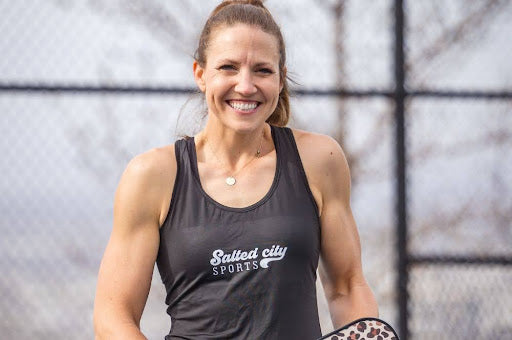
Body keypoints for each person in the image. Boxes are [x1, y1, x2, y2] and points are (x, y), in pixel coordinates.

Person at [93, 0, 378, 339]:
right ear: (200, 74)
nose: (245, 86)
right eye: (228, 67)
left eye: (262, 70)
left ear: (281, 78)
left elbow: (347, 287)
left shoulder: (319, 159)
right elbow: (113, 316)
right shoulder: (152, 175)